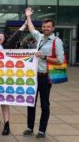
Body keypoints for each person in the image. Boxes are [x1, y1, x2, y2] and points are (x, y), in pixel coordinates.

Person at [23, 7, 64, 139]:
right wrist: (28, 17)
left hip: (46, 77)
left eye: (48, 27)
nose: (45, 28)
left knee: (45, 104)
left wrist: (44, 57)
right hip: (34, 76)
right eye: (44, 26)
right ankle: (29, 127)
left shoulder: (57, 42)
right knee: (30, 102)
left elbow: (60, 61)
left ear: (53, 28)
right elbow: (31, 29)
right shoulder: (39, 36)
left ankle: (42, 130)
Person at [0, 22, 27, 135]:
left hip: (4, 79)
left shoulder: (6, 47)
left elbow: (16, 35)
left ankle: (7, 125)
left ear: (4, 40)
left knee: (4, 102)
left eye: (3, 36)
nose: (0, 37)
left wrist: (25, 24)